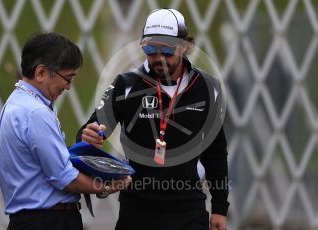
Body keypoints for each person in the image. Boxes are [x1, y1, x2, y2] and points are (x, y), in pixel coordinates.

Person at [77, 8, 229, 230]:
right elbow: (91, 130)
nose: (158, 58)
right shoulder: (126, 84)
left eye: (167, 51)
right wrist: (88, 135)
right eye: (150, 49)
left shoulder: (209, 87)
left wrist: (219, 209)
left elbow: (215, 152)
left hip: (189, 210)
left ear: (184, 47)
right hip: (137, 210)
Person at [0, 32, 131, 230]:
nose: (68, 87)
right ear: (41, 73)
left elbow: (44, 163)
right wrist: (108, 185)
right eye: (67, 78)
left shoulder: (17, 103)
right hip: (48, 221)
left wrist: (85, 147)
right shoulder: (36, 112)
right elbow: (64, 177)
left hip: (32, 219)